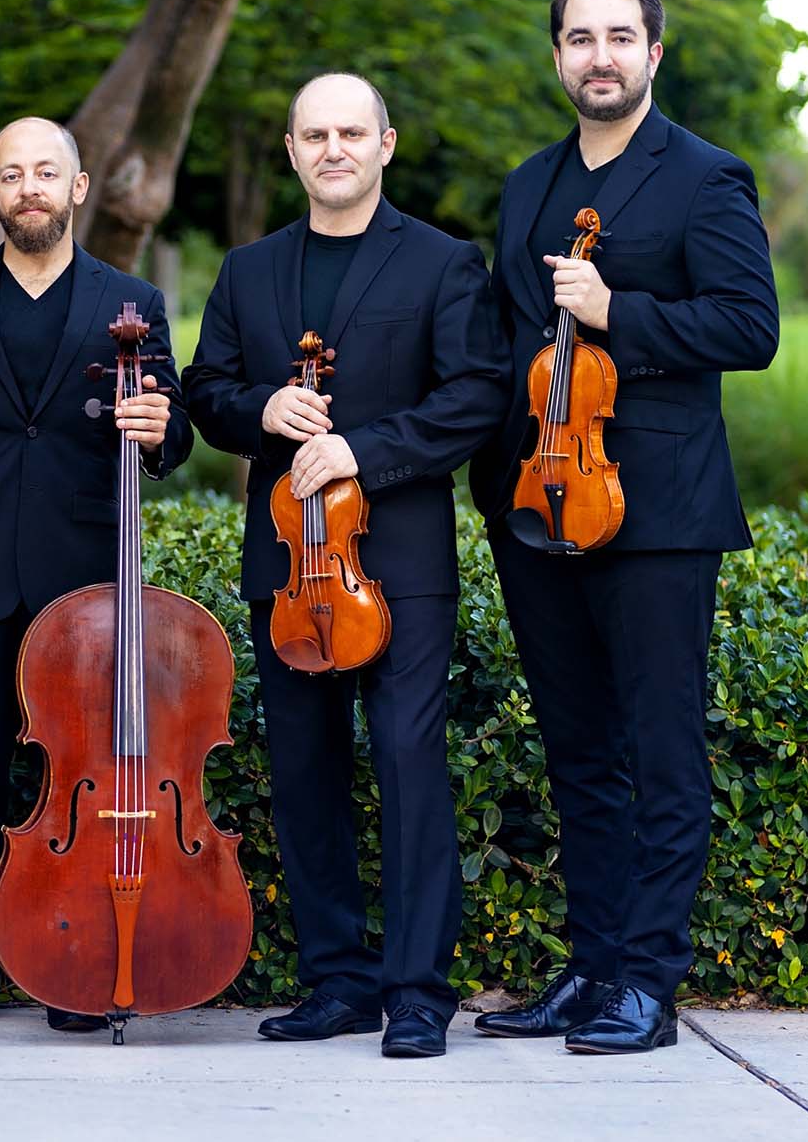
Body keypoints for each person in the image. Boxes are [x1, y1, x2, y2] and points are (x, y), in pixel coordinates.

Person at [470, 0, 778, 1053]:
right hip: (537, 505)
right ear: (555, 55)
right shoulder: (527, 185)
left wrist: (617, 311)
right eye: (577, 38)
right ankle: (590, 968)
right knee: (576, 753)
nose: (596, 56)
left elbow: (749, 327)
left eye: (617, 37)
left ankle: (647, 985)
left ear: (653, 51)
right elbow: (508, 340)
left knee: (657, 750)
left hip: (655, 511)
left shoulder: (704, 177)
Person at [182, 73, 512, 1059]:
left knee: (407, 765)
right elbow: (205, 385)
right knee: (303, 770)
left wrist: (361, 446)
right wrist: (259, 411)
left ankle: (416, 991)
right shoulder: (249, 270)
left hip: (396, 559)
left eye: (350, 133)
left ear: (385, 145)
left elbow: (476, 395)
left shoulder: (443, 263)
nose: (333, 148)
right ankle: (336, 979)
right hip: (288, 565)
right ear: (290, 149)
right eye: (314, 133)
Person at [0, 117, 191, 1033]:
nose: (29, 188)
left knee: (94, 780)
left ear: (78, 187)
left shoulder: (130, 300)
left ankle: (81, 960)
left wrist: (157, 427)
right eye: (11, 175)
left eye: (44, 172)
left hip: (90, 586)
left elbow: (172, 437)